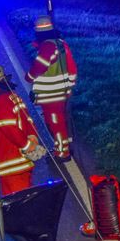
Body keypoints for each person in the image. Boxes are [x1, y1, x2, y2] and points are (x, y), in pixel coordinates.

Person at [0, 62, 45, 196]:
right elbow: (28, 121)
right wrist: (32, 142)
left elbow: (9, 128)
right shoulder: (11, 96)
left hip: (12, 166)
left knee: (18, 208)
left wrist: (27, 146)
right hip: (18, 165)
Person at [25, 15, 78, 160]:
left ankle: (62, 153)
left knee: (55, 123)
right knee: (60, 121)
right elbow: (72, 67)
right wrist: (69, 86)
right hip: (62, 91)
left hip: (51, 94)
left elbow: (39, 67)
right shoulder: (61, 43)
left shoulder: (48, 47)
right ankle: (62, 147)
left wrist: (29, 77)